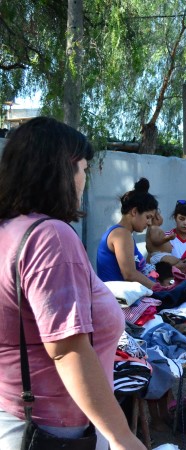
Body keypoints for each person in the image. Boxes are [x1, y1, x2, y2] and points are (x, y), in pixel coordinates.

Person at [0, 117, 146, 449]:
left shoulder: (9, 231)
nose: (84, 180)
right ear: (60, 171)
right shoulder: (49, 236)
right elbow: (67, 350)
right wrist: (122, 436)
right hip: (55, 430)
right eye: (82, 168)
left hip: (14, 417)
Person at [97, 178, 158, 289]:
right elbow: (130, 274)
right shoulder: (121, 235)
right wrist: (160, 289)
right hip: (119, 303)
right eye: (148, 217)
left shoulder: (124, 234)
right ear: (134, 212)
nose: (149, 223)